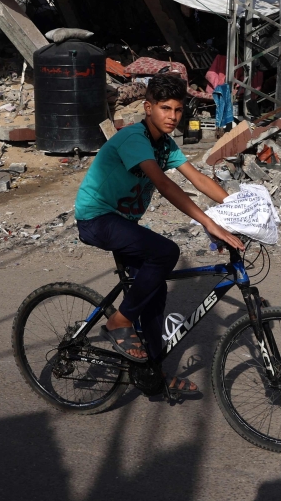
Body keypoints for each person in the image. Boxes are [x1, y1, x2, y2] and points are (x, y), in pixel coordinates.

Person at [75, 73, 244, 396]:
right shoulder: (135, 138)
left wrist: (242, 210)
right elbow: (165, 185)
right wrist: (210, 223)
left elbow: (198, 180)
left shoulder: (165, 144)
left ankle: (153, 376)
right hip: (97, 218)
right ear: (147, 107)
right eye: (165, 108)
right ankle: (119, 321)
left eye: (178, 110)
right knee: (165, 253)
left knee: (154, 297)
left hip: (123, 222)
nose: (173, 117)